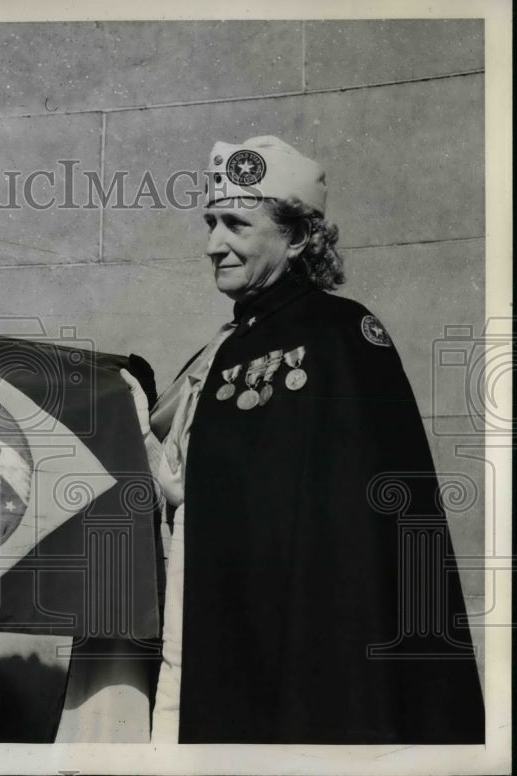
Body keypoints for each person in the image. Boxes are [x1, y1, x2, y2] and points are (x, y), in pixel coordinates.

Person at [124, 136, 484, 743]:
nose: (214, 244)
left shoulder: (341, 336)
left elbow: (364, 538)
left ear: (297, 238)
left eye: (236, 224)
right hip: (219, 627)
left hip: (313, 648)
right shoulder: (226, 345)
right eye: (211, 223)